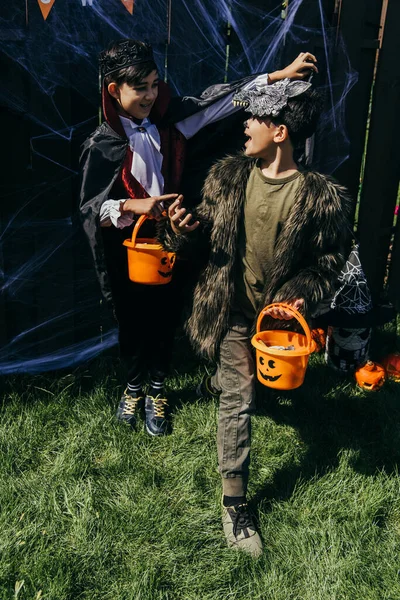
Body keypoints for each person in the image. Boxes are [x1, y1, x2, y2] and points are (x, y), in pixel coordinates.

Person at [79, 38, 319, 437]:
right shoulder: (100, 145)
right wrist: (130, 207)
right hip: (126, 249)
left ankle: (158, 388)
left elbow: (222, 104)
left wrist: (277, 76)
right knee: (132, 321)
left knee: (164, 316)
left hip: (171, 242)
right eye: (141, 87)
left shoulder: (169, 123)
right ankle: (134, 386)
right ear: (113, 90)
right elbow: (91, 211)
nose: (151, 95)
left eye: (155, 84)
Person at [159, 78, 352, 554]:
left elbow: (329, 260)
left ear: (281, 131)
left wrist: (303, 292)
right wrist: (180, 232)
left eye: (254, 118)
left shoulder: (319, 197)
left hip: (276, 324)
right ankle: (236, 504)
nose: (244, 125)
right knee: (238, 402)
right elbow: (201, 235)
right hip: (231, 312)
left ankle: (224, 380)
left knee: (253, 386)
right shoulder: (227, 177)